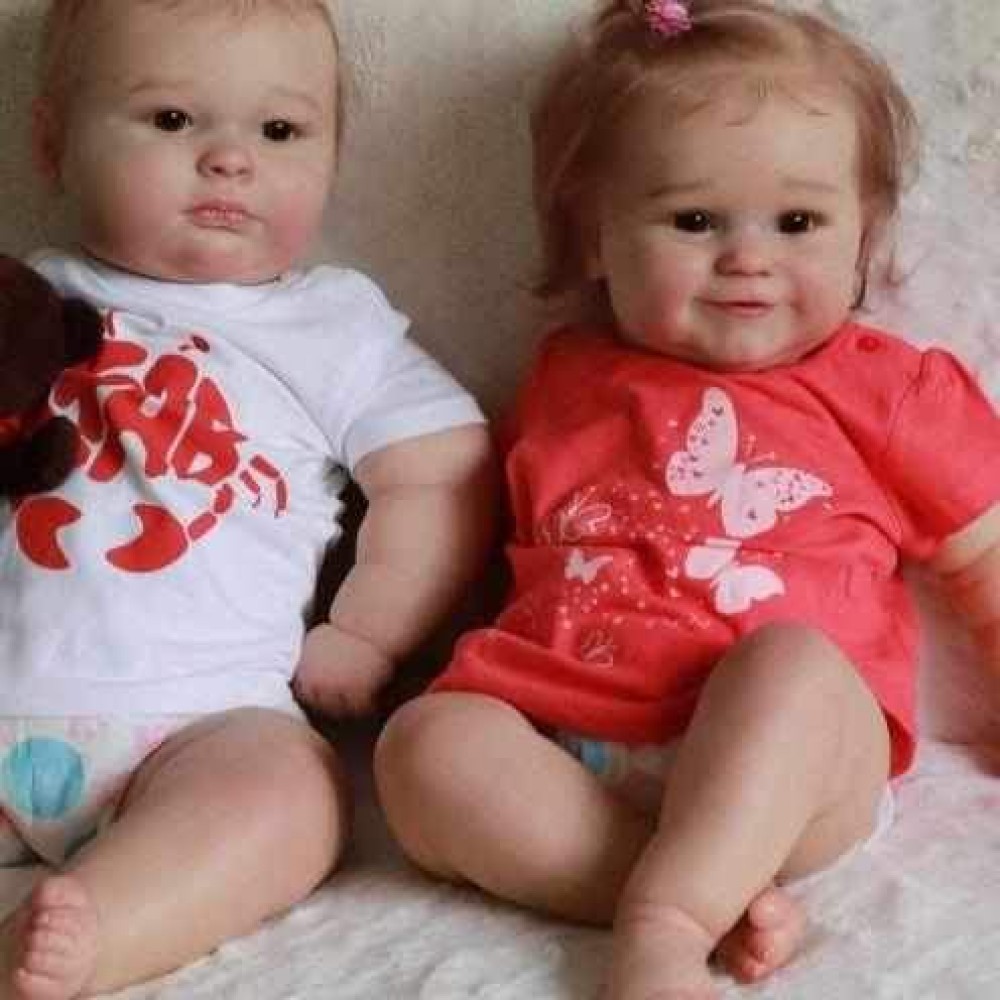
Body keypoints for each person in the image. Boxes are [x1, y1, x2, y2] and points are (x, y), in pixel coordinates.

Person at [373, 1, 1000, 997]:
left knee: (791, 663)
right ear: (593, 237)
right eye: (694, 221)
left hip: (790, 761)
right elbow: (496, 542)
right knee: (420, 748)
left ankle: (665, 924)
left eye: (797, 223)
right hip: (565, 745)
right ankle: (696, 890)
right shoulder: (561, 380)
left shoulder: (885, 387)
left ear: (864, 236)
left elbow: (986, 551)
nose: (747, 257)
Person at [0, 0, 494, 997]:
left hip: (201, 726)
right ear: (52, 143)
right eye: (172, 119)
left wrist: (367, 632)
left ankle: (99, 929)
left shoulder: (330, 327)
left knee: (295, 794)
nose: (229, 160)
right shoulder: (22, 301)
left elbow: (445, 469)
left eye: (279, 130)